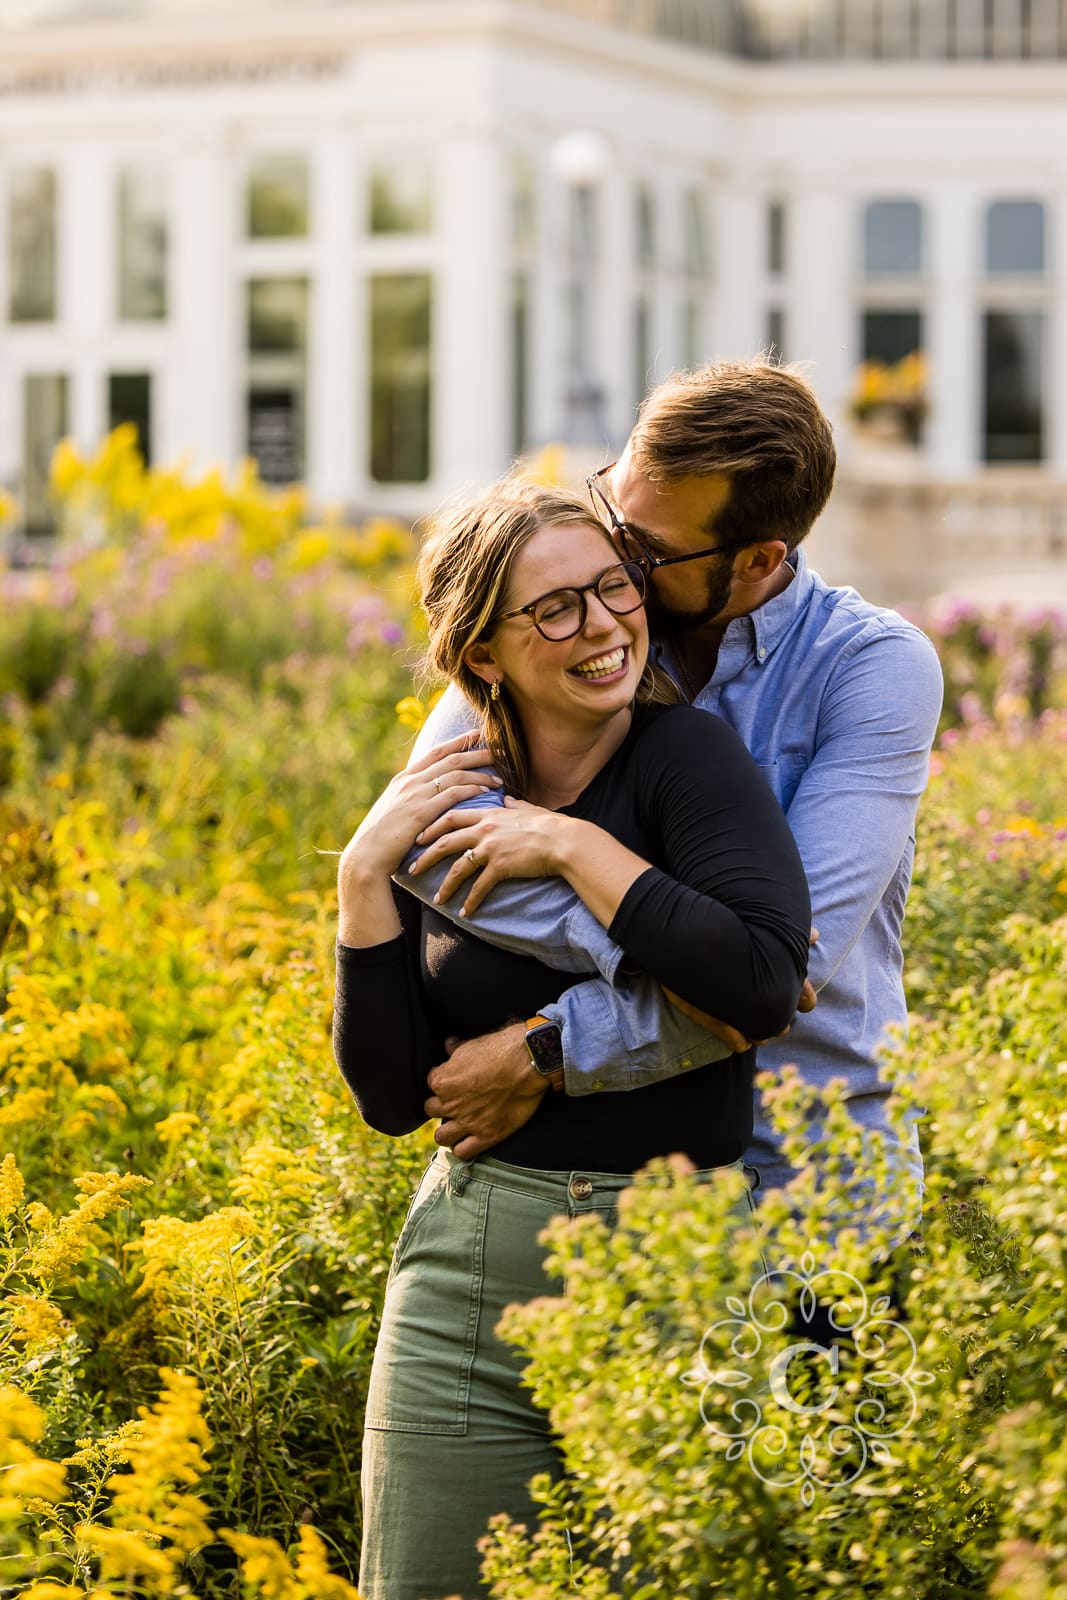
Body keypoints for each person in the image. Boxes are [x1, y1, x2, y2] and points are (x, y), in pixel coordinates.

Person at [332, 481, 811, 1600]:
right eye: (554, 609)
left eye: (610, 588)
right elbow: (398, 1098)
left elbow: (758, 978)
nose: (602, 625)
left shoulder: (684, 762)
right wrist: (361, 879)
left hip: (672, 1267)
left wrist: (567, 850)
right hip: (469, 1284)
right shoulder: (446, 798)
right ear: (482, 652)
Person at [397, 358, 944, 1249]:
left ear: (759, 558)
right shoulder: (566, 623)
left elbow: (780, 978)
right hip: (580, 1176)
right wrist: (695, 946)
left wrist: (547, 1046)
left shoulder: (869, 668)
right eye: (610, 505)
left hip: (804, 1180)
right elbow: (436, 853)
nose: (612, 561)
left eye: (644, 553)